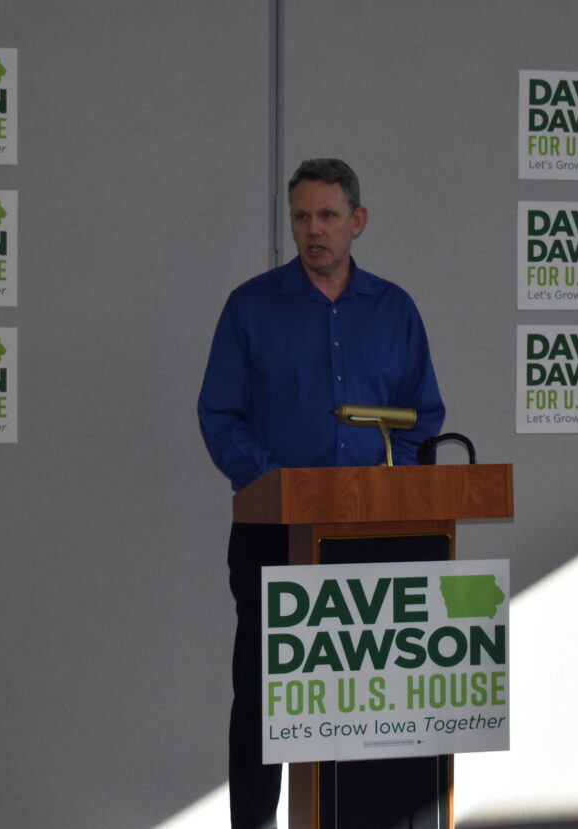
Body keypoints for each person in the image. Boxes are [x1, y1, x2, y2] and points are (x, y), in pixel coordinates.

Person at [197, 158, 445, 829]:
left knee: (365, 698)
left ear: (357, 221)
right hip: (274, 532)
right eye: (302, 216)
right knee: (264, 696)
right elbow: (220, 415)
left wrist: (389, 487)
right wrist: (280, 488)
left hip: (374, 536)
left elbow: (423, 414)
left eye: (328, 215)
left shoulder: (394, 310)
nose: (314, 229)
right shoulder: (251, 307)